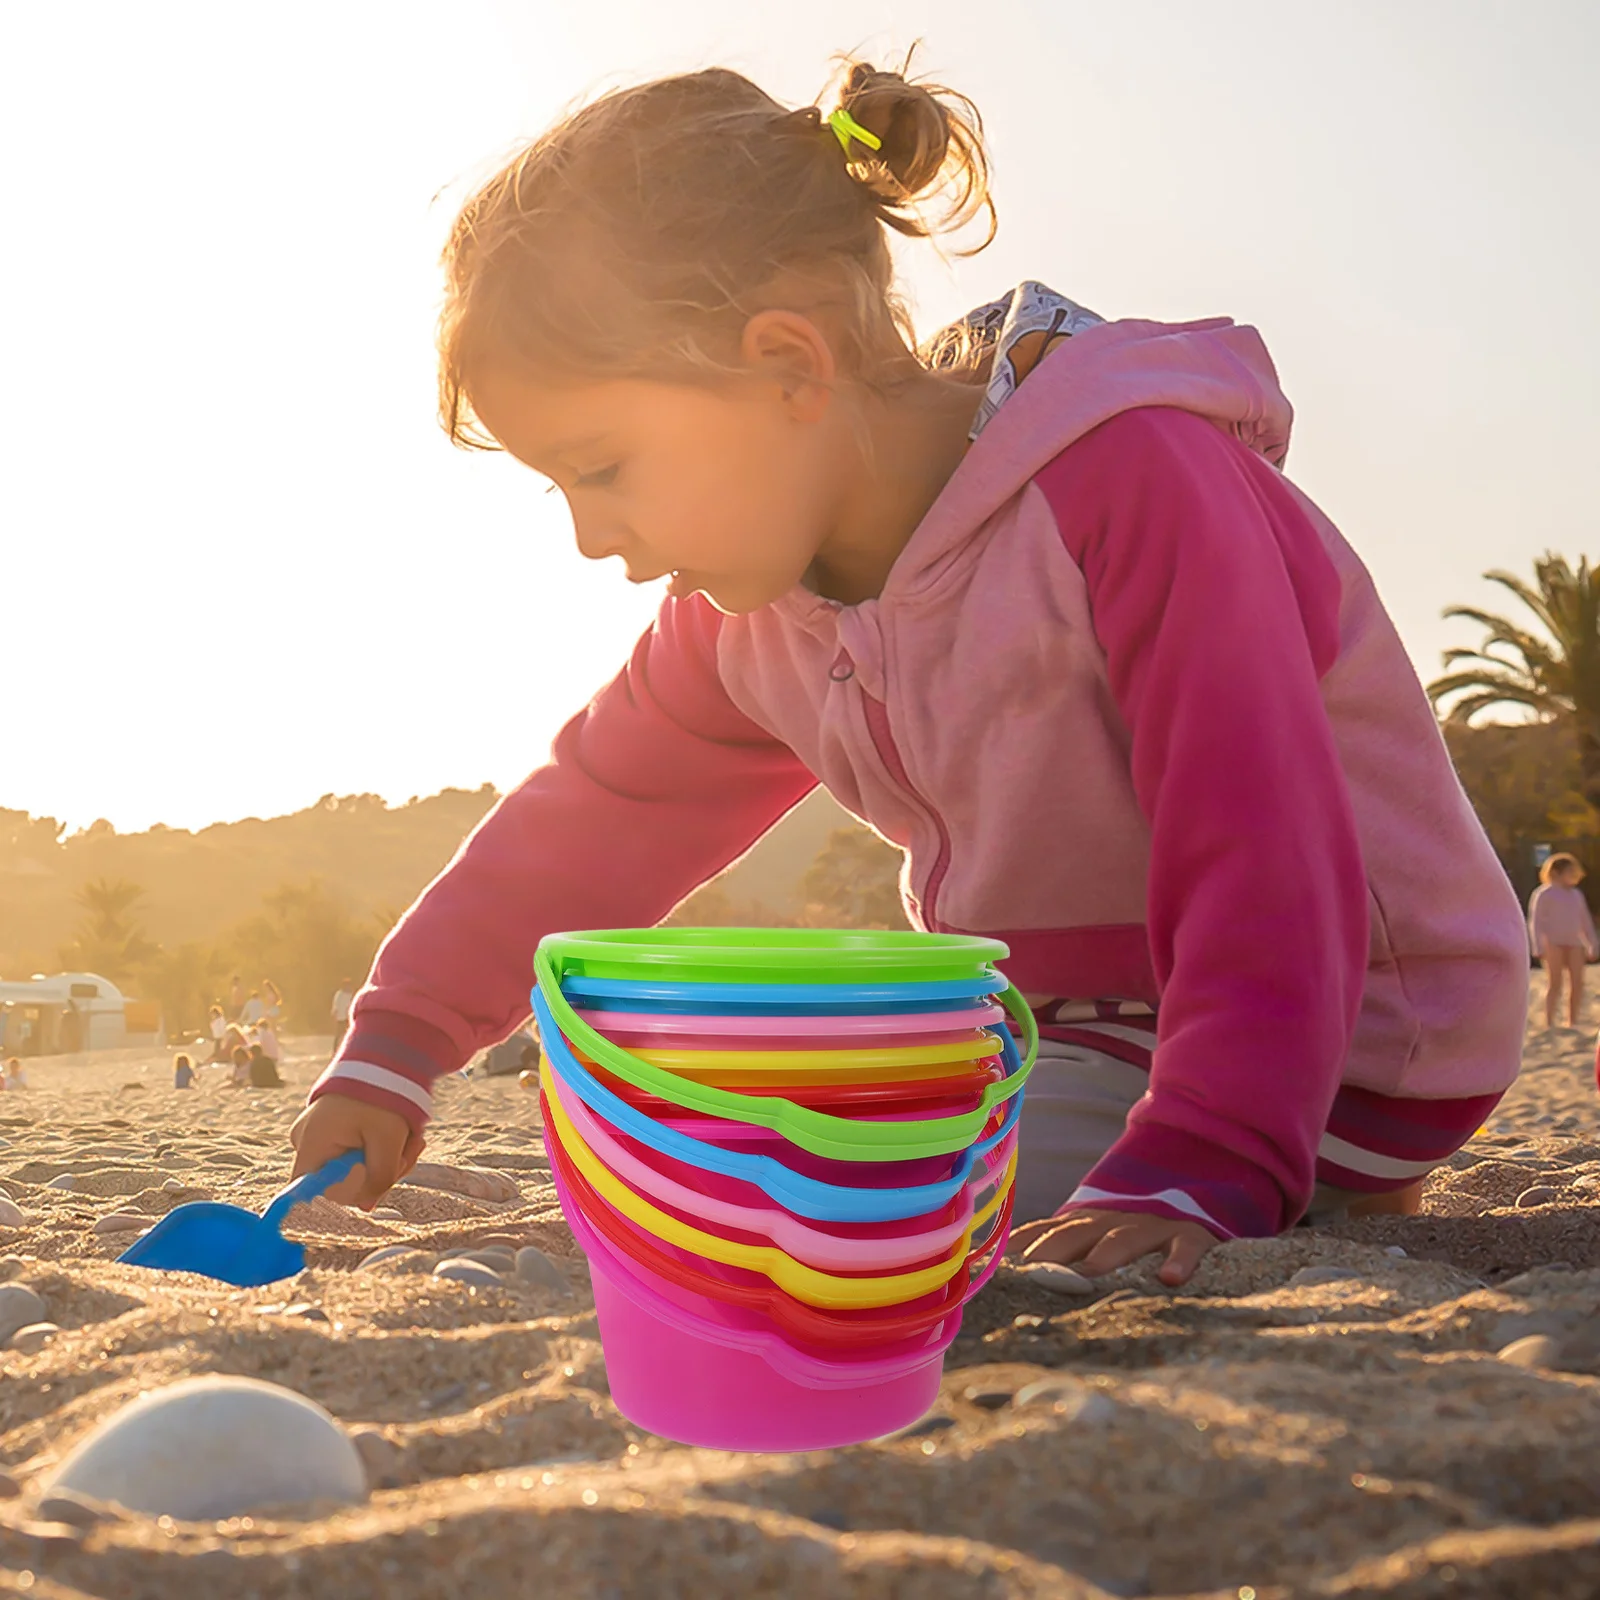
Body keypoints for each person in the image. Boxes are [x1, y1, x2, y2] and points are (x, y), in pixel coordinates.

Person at [288, 60, 1529, 1285]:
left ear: (788, 366)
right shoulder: (752, 613)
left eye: (602, 466)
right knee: (714, 1141)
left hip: (1344, 1034)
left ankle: (1257, 1163)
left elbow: (1260, 837)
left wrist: (1209, 1152)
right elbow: (601, 812)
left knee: (842, 1227)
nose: (588, 534)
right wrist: (398, 1039)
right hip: (1070, 1027)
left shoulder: (1132, 483)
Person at [1529, 853, 1597, 1030]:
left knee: (1577, 983)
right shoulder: (1543, 894)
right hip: (1553, 943)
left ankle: (1571, 1021)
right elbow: (1535, 921)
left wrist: (1592, 944)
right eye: (1570, 871)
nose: (1574, 875)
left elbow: (1585, 921)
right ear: (1557, 872)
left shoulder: (1576, 895)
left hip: (1574, 943)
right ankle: (1549, 1021)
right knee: (1555, 983)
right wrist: (1537, 945)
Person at [330, 979, 355, 1051]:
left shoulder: (350, 995)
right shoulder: (339, 994)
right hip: (341, 1018)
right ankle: (336, 1049)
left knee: (347, 1034)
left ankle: (346, 1049)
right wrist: (335, 1015)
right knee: (340, 1035)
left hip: (348, 1018)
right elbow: (336, 1006)